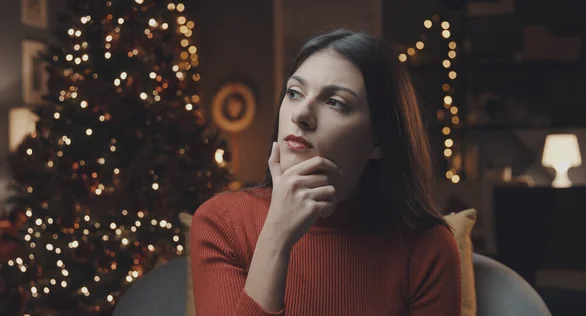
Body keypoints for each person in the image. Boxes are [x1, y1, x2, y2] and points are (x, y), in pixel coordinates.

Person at [190, 29, 461, 315]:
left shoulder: (426, 248)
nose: (301, 114)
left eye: (335, 102)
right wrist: (276, 237)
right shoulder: (221, 223)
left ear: (378, 140)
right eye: (294, 93)